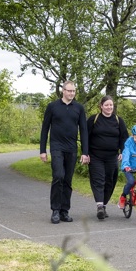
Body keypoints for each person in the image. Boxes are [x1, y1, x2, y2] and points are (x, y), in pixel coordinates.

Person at [40, 81, 90, 224]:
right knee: (58, 176)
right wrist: (42, 150)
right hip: (56, 147)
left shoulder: (79, 108)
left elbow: (84, 130)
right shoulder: (52, 107)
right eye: (69, 91)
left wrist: (85, 152)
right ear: (63, 91)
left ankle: (64, 211)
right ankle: (55, 210)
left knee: (67, 180)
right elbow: (45, 129)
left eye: (73, 91)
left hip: (71, 148)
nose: (71, 93)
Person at [87, 95, 129, 220]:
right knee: (98, 180)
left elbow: (124, 138)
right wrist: (86, 153)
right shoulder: (93, 119)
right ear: (101, 106)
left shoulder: (118, 120)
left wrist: (123, 151)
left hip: (112, 156)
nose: (109, 107)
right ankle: (99, 206)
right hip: (96, 156)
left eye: (111, 105)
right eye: (106, 105)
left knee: (110, 181)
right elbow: (86, 136)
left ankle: (104, 205)